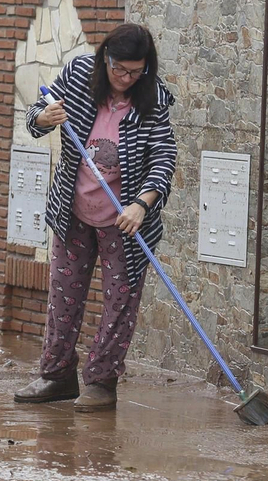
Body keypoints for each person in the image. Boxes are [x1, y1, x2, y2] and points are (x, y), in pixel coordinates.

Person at [13, 23, 177, 411]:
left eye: (135, 71)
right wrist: (44, 117)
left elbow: (164, 158)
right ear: (105, 59)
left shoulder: (152, 100)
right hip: (74, 213)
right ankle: (57, 375)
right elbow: (36, 113)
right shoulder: (80, 76)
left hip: (125, 221)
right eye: (118, 69)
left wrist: (142, 203)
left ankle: (102, 382)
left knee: (120, 301)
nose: (125, 78)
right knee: (64, 297)